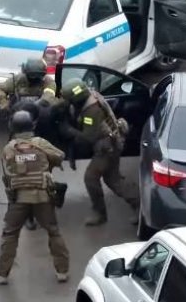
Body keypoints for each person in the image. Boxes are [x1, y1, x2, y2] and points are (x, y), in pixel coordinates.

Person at [0, 110, 70, 285]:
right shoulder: (41, 143)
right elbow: (60, 156)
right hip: (43, 197)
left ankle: (2, 274)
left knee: (10, 234)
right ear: (32, 125)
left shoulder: (9, 148)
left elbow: (7, 167)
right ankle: (62, 271)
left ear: (13, 127)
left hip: (18, 199)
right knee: (53, 231)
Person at [56, 79, 139, 226]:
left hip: (106, 148)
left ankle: (100, 213)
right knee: (113, 180)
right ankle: (139, 204)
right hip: (112, 143)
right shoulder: (91, 95)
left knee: (91, 178)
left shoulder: (91, 111)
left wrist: (69, 130)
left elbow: (89, 137)